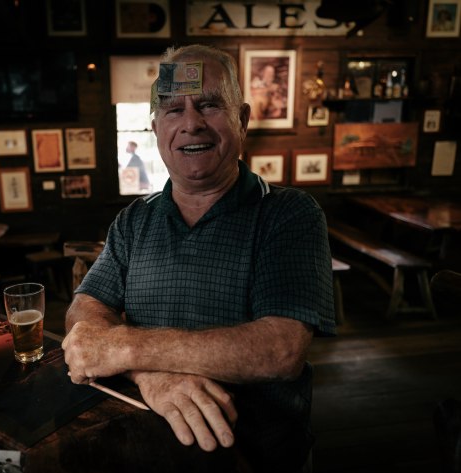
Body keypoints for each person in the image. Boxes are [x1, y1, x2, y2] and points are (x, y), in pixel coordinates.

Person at [62, 44, 336, 473]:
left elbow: (280, 350)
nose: (191, 124)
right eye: (173, 110)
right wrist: (150, 377)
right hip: (145, 451)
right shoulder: (134, 220)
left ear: (242, 120)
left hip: (258, 458)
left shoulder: (290, 213)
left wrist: (122, 347)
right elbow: (86, 308)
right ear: (156, 128)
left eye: (209, 105)